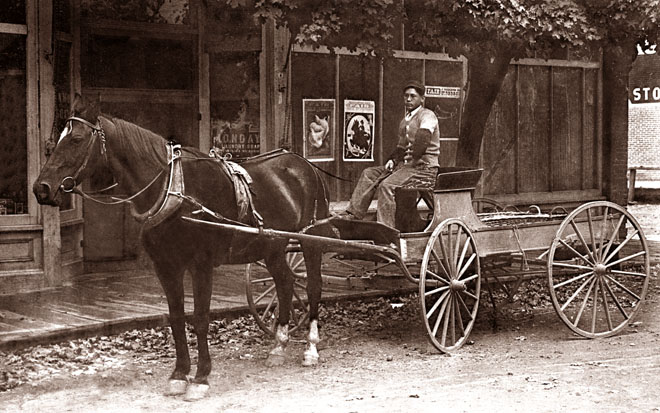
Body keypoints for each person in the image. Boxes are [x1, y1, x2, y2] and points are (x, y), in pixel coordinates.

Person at [341, 80, 440, 228]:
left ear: (422, 99)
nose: (408, 99)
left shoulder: (427, 115)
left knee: (386, 186)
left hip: (425, 168)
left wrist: (412, 160)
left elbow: (423, 139)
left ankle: (385, 228)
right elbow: (401, 147)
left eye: (413, 96)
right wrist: (393, 160)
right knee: (369, 173)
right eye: (406, 96)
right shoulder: (405, 120)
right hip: (407, 167)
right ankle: (353, 215)